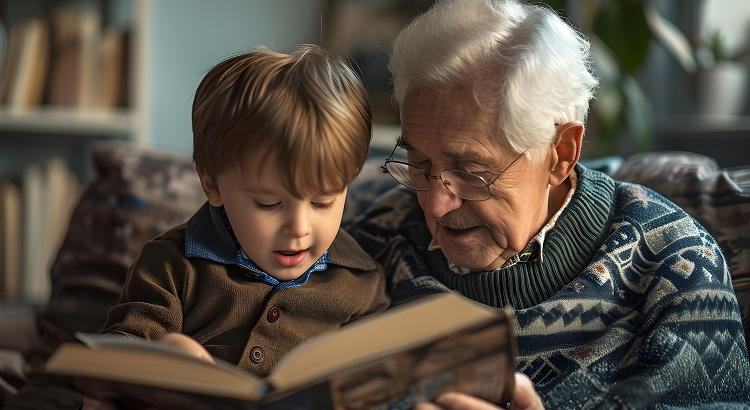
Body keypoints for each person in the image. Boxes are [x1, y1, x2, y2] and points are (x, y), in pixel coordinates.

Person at [348, 0, 750, 408]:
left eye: (470, 172)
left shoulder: (674, 267)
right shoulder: (374, 244)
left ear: (560, 153)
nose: (434, 204)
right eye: (419, 163)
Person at [98, 44, 389, 375]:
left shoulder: (362, 283)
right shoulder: (169, 266)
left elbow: (377, 380)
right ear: (212, 185)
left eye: (322, 202)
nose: (299, 227)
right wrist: (164, 352)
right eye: (268, 203)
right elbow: (117, 356)